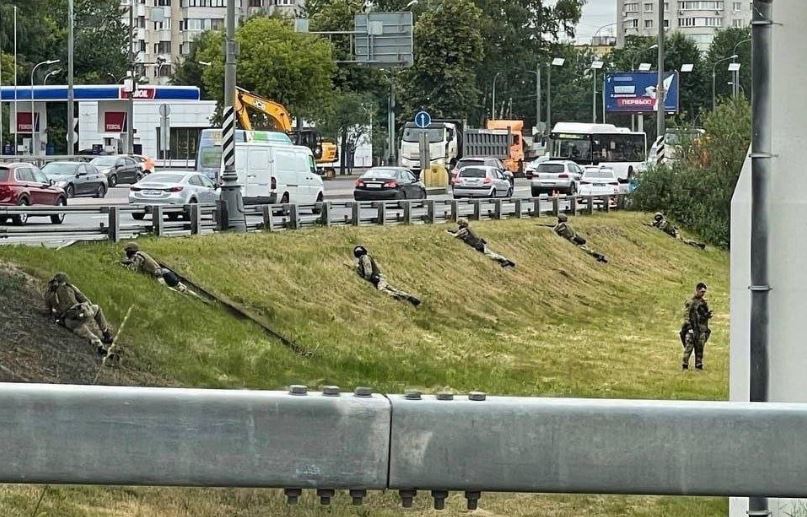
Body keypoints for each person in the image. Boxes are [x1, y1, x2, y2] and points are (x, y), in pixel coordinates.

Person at [44, 272, 114, 355]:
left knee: (86, 332)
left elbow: (48, 311)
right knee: (97, 308)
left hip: (69, 320)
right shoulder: (71, 287)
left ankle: (99, 345)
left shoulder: (50, 294)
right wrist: (87, 308)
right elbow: (84, 299)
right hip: (83, 312)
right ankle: (107, 334)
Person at [352, 246, 421, 307]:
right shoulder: (365, 258)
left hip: (377, 279)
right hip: (380, 278)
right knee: (393, 289)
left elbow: (368, 272)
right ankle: (409, 297)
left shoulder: (365, 258)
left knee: (383, 290)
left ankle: (400, 297)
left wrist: (365, 279)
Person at [447, 218, 516, 268]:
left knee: (489, 255)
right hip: (479, 243)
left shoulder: (463, 230)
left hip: (477, 245)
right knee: (489, 253)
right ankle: (505, 260)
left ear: (461, 224)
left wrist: (447, 232)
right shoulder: (467, 228)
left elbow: (455, 235)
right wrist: (451, 231)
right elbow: (456, 231)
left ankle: (504, 260)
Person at [121, 242, 188, 292]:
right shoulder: (142, 253)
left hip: (158, 275)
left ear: (130, 251)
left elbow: (133, 268)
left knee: (167, 290)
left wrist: (123, 266)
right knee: (179, 286)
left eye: (127, 251)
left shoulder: (137, 256)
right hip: (164, 271)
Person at [682, 282, 713, 370]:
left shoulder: (704, 302)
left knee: (700, 348)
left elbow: (704, 315)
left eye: (704, 292)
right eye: (701, 291)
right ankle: (685, 365)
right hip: (692, 328)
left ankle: (698, 365)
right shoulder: (691, 301)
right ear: (697, 290)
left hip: (701, 328)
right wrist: (689, 327)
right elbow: (687, 315)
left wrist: (707, 315)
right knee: (689, 347)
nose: (703, 293)